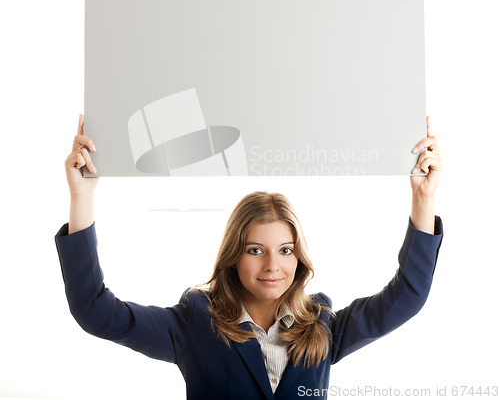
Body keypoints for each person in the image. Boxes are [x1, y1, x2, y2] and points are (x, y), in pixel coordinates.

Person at [55, 114, 443, 400]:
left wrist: (423, 199)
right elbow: (95, 310)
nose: (273, 265)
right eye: (255, 250)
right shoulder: (195, 323)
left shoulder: (321, 327)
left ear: (298, 258)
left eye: (285, 250)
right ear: (233, 258)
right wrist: (81, 198)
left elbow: (405, 298)